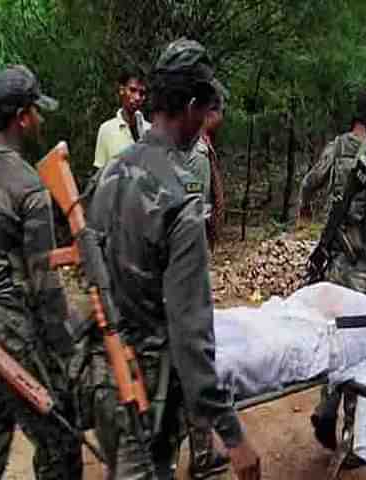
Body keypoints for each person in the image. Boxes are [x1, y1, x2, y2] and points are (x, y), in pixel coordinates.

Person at [86, 38, 261, 480]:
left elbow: (91, 270)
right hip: (149, 393)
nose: (205, 123)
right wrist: (233, 435)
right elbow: (190, 336)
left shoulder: (110, 175)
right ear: (188, 106)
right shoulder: (179, 203)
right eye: (203, 111)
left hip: (105, 376)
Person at [0, 65, 83, 479]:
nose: (40, 120)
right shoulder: (28, 185)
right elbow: (44, 286)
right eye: (36, 111)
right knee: (61, 438)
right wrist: (67, 348)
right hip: (7, 326)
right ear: (21, 117)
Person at [299, 92, 366, 454]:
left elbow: (310, 180)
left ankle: (326, 408)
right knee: (361, 346)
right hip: (363, 268)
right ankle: (352, 439)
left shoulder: (336, 148)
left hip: (334, 262)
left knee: (335, 338)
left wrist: (305, 205)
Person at [182, 81, 229, 478]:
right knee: (195, 353)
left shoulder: (188, 147)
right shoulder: (196, 153)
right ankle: (200, 451)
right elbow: (193, 214)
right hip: (188, 266)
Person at [185, 86, 226, 251]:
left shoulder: (201, 144)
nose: (222, 119)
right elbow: (193, 190)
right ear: (210, 114)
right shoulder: (199, 152)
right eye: (221, 112)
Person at [93, 68, 150, 171]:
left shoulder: (150, 131)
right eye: (132, 90)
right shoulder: (107, 130)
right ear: (122, 90)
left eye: (141, 93)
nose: (137, 97)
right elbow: (99, 174)